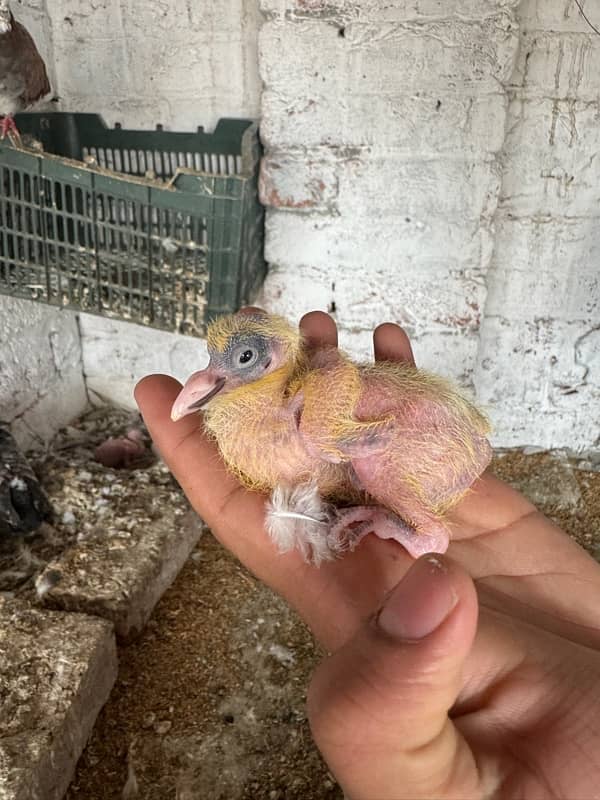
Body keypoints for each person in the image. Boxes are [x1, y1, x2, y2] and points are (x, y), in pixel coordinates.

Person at [135, 311, 600, 800]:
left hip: (425, 441)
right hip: (421, 431)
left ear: (274, 359)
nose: (212, 376)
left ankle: (422, 532)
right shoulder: (285, 392)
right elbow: (328, 368)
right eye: (217, 361)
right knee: (359, 459)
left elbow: (353, 405)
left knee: (371, 460)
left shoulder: (309, 404)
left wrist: (334, 438)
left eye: (244, 359)